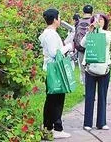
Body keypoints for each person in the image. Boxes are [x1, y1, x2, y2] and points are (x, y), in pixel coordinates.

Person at [39, 8, 73, 139]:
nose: (60, 19)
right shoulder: (51, 34)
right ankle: (56, 128)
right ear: (54, 19)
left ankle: (48, 127)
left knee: (51, 98)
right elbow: (55, 53)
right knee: (57, 99)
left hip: (49, 68)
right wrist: (68, 47)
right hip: (54, 69)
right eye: (59, 17)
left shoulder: (47, 33)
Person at [80, 13, 111, 132]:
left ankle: (101, 122)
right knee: (89, 96)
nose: (99, 22)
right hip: (90, 68)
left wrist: (98, 29)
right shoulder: (90, 33)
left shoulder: (107, 34)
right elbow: (82, 44)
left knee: (102, 96)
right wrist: (90, 31)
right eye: (96, 20)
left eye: (101, 20)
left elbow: (105, 41)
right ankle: (87, 122)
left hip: (104, 69)